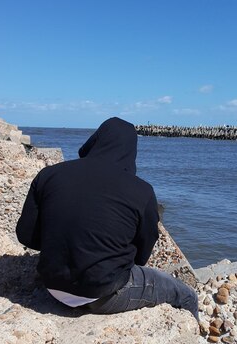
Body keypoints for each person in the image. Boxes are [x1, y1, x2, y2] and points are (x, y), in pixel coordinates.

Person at [16, 117, 198, 319]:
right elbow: (142, 256)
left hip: (51, 285)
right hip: (102, 293)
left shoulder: (48, 174)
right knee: (187, 296)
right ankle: (194, 341)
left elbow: (26, 236)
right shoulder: (142, 191)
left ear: (95, 141)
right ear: (131, 151)